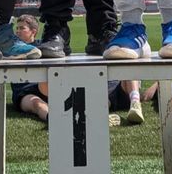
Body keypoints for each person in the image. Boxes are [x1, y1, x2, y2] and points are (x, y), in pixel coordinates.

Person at [11, 16, 144, 124]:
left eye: (22, 28)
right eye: (17, 28)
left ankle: (134, 104)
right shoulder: (12, 48)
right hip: (24, 89)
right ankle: (56, 119)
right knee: (36, 104)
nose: (17, 31)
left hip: (46, 85)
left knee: (127, 73)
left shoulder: (44, 46)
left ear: (33, 31)